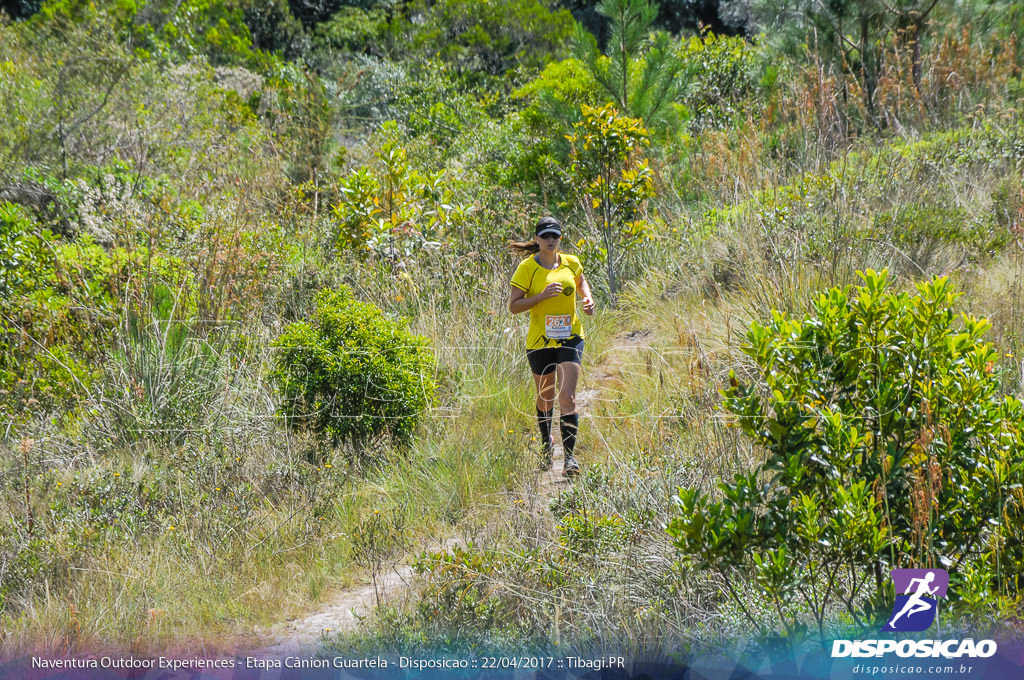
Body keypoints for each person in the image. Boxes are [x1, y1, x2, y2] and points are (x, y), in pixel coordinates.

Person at [509, 216, 595, 476]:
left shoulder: (571, 262)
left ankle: (570, 460)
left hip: (570, 337)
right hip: (540, 341)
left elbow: (581, 283)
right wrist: (541, 296)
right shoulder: (527, 268)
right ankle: (547, 443)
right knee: (545, 397)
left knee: (567, 397)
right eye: (544, 236)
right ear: (536, 239)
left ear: (560, 238)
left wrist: (588, 299)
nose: (549, 240)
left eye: (554, 236)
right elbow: (514, 306)